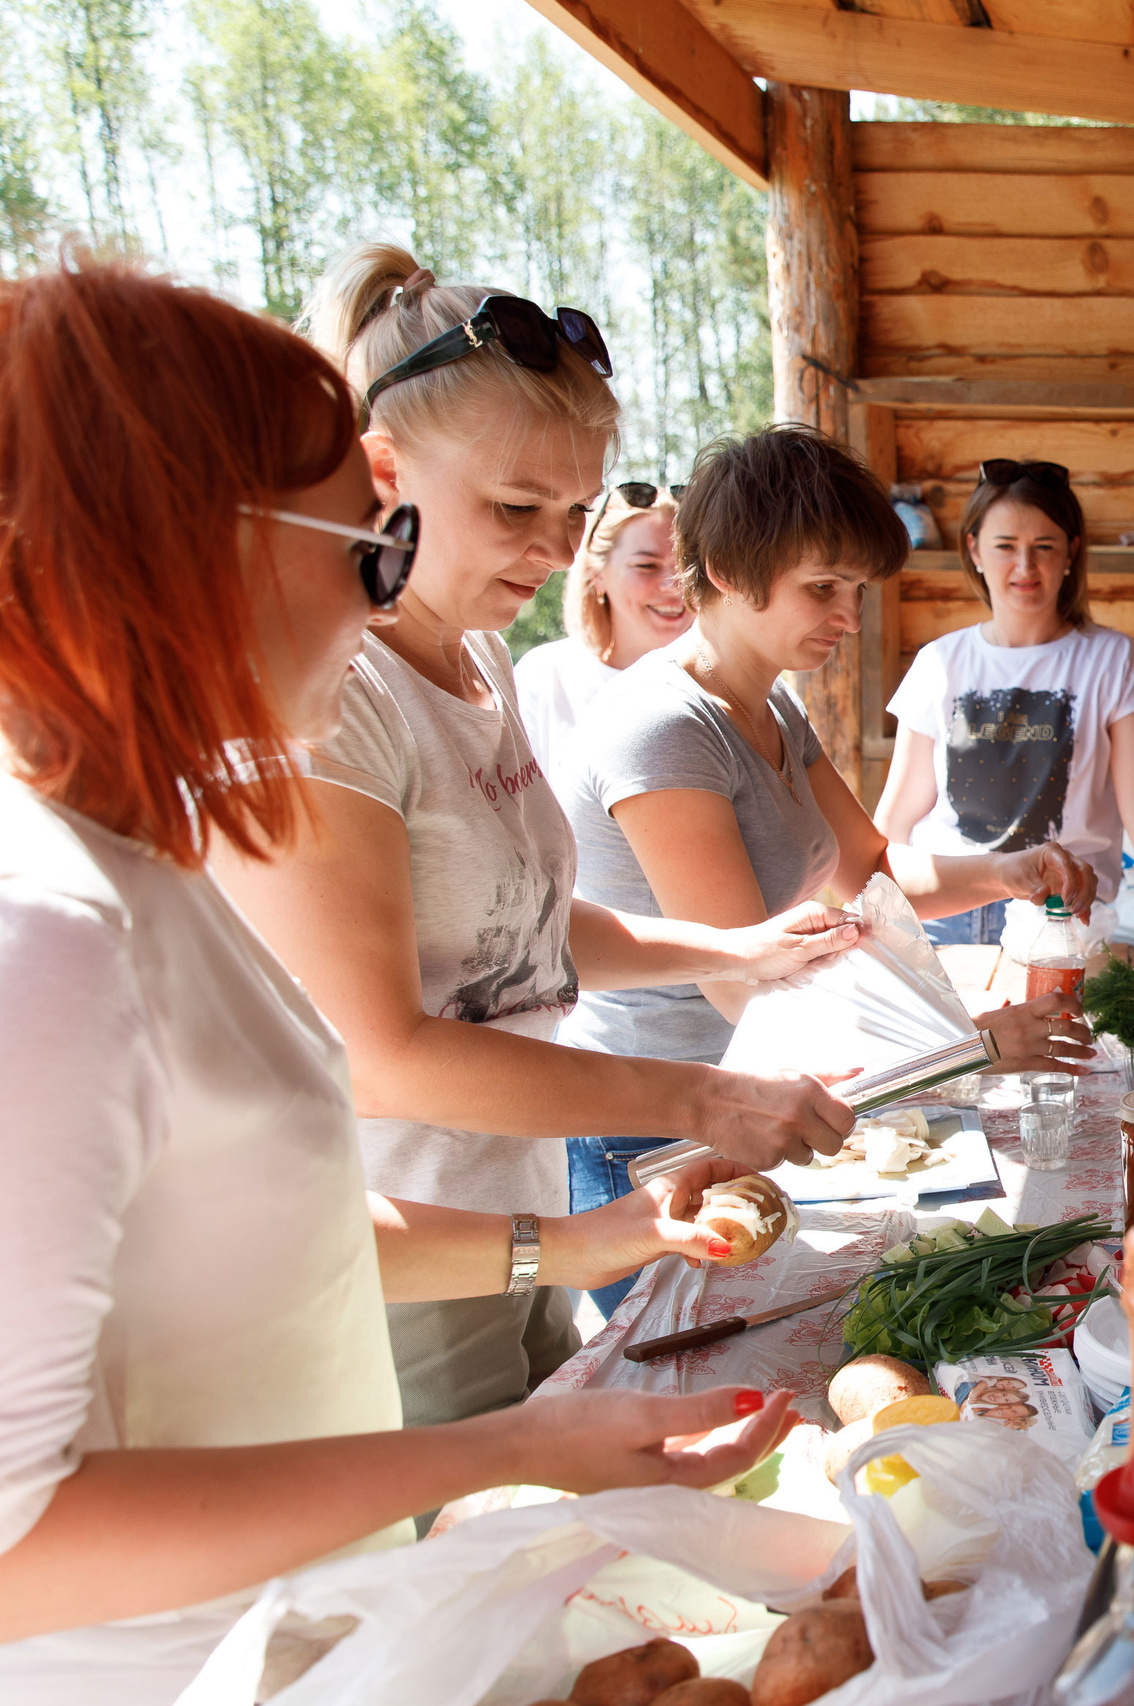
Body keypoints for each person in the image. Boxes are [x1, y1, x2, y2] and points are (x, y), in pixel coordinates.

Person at [0, 260, 796, 1702]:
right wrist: (498, 1446)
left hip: (314, 1639)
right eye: (365, 543)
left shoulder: (143, 861)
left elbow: (257, 1226)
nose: (382, 595)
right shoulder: (41, 938)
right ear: (179, 549)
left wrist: (576, 1244)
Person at [212, 244, 862, 1430]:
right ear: (381, 471)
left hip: (513, 1213)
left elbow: (523, 927)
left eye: (574, 513)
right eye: (517, 509)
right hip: (394, 1250)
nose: (561, 553)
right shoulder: (338, 697)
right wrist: (704, 1096)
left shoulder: (477, 661)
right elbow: (383, 1053)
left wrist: (736, 951)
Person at [558, 427, 1100, 1313]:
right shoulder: (663, 730)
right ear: (728, 570)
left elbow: (875, 867)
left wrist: (1011, 869)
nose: (848, 618)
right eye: (822, 589)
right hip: (656, 1132)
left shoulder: (769, 707)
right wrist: (976, 1048)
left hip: (754, 1107)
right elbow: (752, 993)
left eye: (853, 589)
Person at [877, 458, 1134, 951]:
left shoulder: (1113, 659)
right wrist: (870, 917)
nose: (1025, 566)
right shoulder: (939, 662)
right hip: (944, 913)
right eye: (1004, 547)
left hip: (1062, 914)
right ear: (973, 549)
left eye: (1044, 547)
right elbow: (897, 815)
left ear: (1071, 552)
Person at [513, 482, 689, 773]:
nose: (673, 586)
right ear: (597, 575)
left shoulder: (732, 686)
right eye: (646, 566)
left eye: (685, 565)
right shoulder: (545, 679)